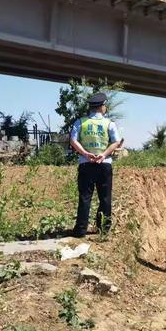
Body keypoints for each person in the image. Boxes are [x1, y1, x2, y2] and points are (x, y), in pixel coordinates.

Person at [70, 92, 121, 238]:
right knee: (105, 198)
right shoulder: (109, 123)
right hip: (104, 165)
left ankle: (80, 230)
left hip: (86, 164)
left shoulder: (81, 122)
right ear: (102, 107)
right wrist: (104, 154)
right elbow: (116, 142)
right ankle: (103, 229)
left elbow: (73, 141)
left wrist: (86, 154)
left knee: (85, 197)